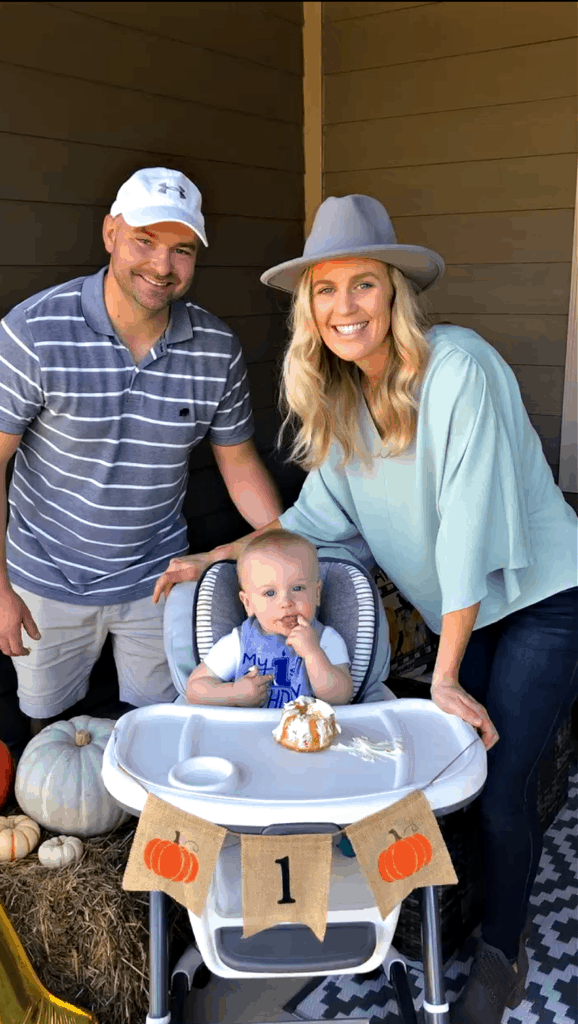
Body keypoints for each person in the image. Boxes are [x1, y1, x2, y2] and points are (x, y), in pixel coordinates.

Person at [155, 194, 578, 1024]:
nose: (344, 306)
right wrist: (214, 557)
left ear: (395, 295)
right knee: (470, 774)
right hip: (476, 612)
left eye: (363, 286)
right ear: (309, 309)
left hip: (542, 599)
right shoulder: (343, 402)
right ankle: (473, 908)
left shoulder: (459, 369)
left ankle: (504, 952)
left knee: (502, 783)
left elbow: (465, 532)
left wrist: (444, 675)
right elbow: (308, 527)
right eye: (325, 290)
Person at [0, 167, 282, 736]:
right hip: (45, 577)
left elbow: (239, 462)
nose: (161, 266)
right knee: (48, 727)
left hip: (159, 577)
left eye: (182, 250)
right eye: (144, 241)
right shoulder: (32, 331)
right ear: (110, 234)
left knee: (161, 722)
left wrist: (283, 544)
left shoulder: (215, 348)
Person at [185, 528, 352, 708]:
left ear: (317, 594)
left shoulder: (325, 640)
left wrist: (313, 654)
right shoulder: (238, 643)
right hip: (249, 732)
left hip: (308, 732)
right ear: (248, 603)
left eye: (298, 588)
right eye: (270, 593)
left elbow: (341, 697)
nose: (286, 602)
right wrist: (233, 693)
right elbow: (195, 690)